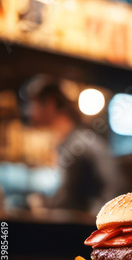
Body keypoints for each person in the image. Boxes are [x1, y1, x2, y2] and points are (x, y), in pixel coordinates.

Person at [28, 82, 122, 215]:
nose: (30, 111)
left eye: (33, 105)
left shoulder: (83, 142)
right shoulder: (64, 143)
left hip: (83, 230)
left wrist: (96, 219)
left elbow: (115, 184)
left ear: (50, 103)